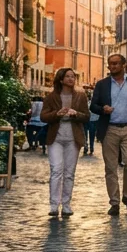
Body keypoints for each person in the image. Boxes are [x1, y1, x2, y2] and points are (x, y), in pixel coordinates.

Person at [90, 53, 127, 217]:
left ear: (123, 65)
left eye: (116, 63)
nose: (113, 66)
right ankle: (114, 202)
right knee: (110, 167)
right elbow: (93, 106)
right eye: (110, 64)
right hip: (109, 129)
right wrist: (103, 109)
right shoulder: (102, 84)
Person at [40, 68, 88, 218]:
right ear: (61, 79)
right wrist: (57, 114)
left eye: (73, 76)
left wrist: (76, 114)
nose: (71, 79)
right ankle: (54, 205)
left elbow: (86, 116)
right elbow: (43, 116)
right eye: (67, 76)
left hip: (73, 138)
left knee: (69, 173)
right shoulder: (51, 97)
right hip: (56, 138)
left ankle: (66, 205)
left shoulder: (80, 96)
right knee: (56, 170)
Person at [82, 85, 99, 155]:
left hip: (93, 119)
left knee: (92, 134)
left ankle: (91, 147)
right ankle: (86, 146)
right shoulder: (83, 99)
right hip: (86, 119)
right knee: (85, 134)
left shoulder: (95, 98)